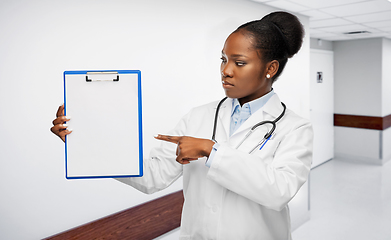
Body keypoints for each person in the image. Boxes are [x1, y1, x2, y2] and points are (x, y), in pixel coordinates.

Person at [51, 11, 313, 240]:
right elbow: (154, 177)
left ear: (271, 68)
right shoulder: (198, 116)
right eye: (223, 59)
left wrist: (213, 151)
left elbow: (279, 190)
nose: (226, 71)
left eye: (239, 62)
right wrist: (86, 141)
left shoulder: (294, 128)